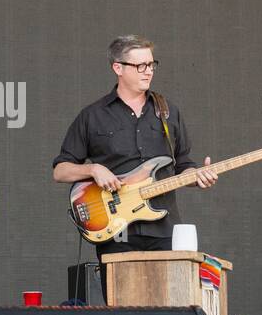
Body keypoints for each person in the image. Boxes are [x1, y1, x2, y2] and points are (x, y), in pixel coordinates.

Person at [52, 35, 217, 270]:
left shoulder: (168, 112)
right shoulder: (93, 115)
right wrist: (93, 169)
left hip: (164, 228)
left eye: (151, 65)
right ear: (118, 68)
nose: (148, 71)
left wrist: (198, 176)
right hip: (117, 231)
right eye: (140, 65)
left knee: (171, 304)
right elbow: (60, 171)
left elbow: (183, 165)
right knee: (123, 305)